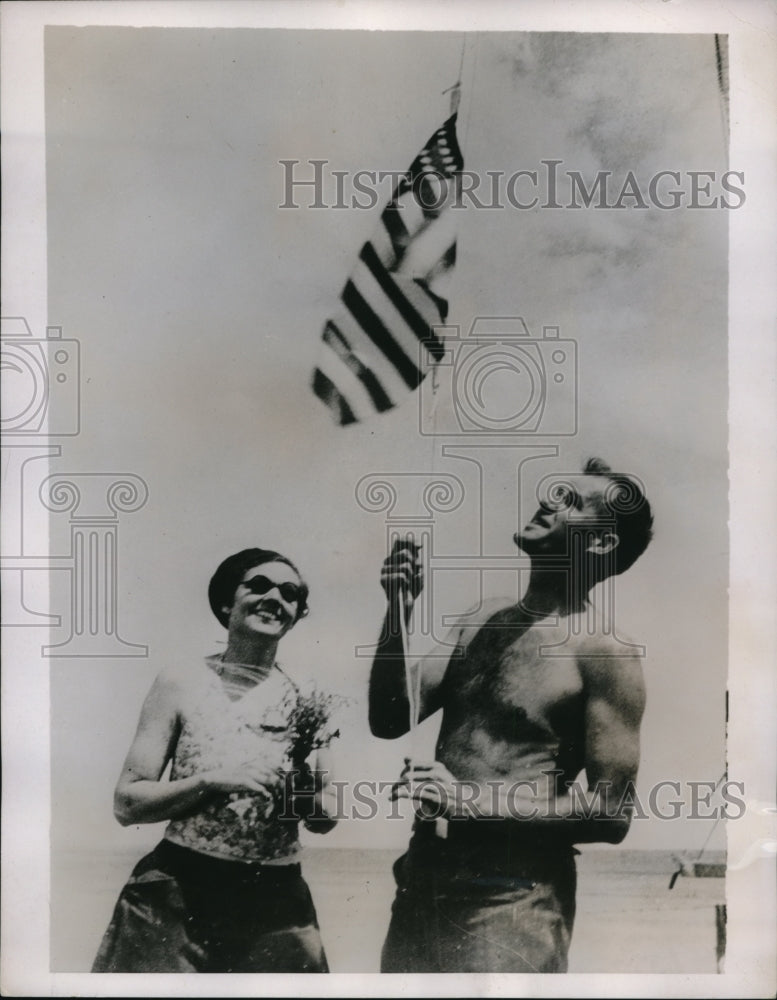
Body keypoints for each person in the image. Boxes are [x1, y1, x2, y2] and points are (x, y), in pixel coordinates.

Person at [369, 457, 654, 973]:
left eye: (570, 501)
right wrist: (398, 612)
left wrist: (467, 801)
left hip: (512, 896)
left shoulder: (604, 651)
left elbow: (612, 815)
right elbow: (390, 717)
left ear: (601, 543)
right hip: (423, 875)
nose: (548, 499)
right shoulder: (481, 618)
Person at [93, 547, 338, 973]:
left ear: (297, 614)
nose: (274, 598)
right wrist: (216, 780)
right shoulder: (181, 681)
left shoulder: (309, 698)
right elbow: (127, 803)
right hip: (178, 894)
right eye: (258, 585)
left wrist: (298, 794)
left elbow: (327, 815)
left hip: (277, 899)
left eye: (289, 593)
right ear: (226, 602)